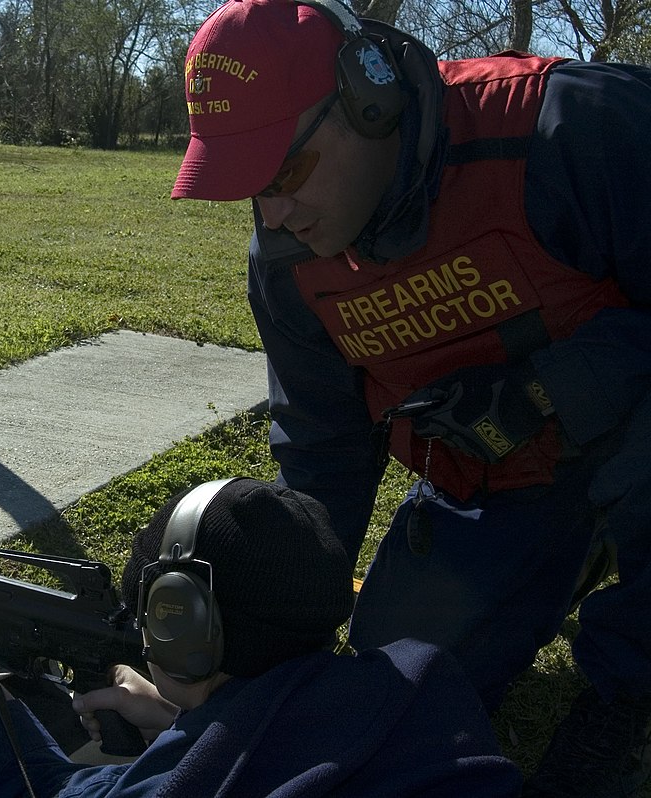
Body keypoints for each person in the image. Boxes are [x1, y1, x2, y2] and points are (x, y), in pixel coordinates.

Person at [166, 0, 651, 794]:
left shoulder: (571, 128)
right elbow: (322, 452)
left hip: (630, 436)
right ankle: (573, 549)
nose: (272, 214)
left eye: (284, 173)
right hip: (499, 486)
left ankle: (627, 687)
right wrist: (272, 632)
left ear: (371, 98)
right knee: (400, 659)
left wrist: (568, 382)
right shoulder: (287, 267)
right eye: (250, 190)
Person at [0, 476, 521, 796]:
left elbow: (41, 786)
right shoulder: (418, 681)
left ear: (179, 622)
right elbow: (278, 730)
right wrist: (180, 715)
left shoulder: (185, 785)